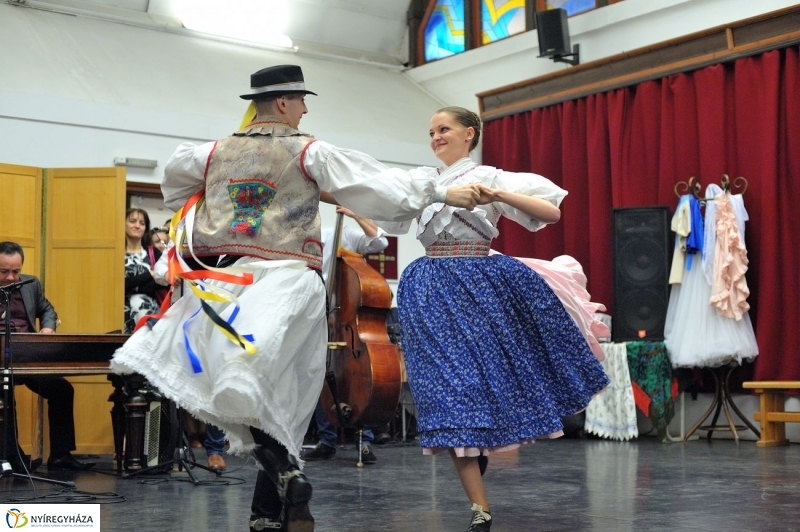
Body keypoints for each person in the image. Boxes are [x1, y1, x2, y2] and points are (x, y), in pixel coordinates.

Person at [110, 64, 481, 532]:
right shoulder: (310, 151)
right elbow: (381, 187)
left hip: (225, 285)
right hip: (288, 283)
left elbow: (174, 180)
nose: (306, 108)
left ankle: (271, 500)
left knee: (231, 383)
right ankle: (275, 494)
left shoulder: (211, 151)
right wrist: (443, 189)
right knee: (285, 399)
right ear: (284, 103)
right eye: (302, 100)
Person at [376, 107, 610, 532]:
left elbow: (551, 211)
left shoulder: (494, 176)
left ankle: (479, 449)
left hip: (479, 283)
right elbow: (384, 211)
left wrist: (498, 196)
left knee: (477, 383)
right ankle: (479, 508)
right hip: (430, 286)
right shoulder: (423, 182)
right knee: (448, 392)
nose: (435, 137)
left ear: (470, 134)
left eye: (443, 129)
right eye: (430, 131)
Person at [302, 206, 389, 465]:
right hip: (315, 312)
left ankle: (365, 440)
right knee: (320, 375)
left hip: (345, 317)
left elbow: (379, 242)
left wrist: (356, 214)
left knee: (357, 375)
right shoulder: (296, 245)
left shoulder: (340, 234)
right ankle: (327, 440)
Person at [0, 241, 96, 473]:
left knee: (61, 390)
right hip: (1, 359)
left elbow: (47, 309)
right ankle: (14, 458)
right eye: (4, 272)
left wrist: (47, 328)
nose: (11, 277)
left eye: (16, 271)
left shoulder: (30, 284)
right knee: (4, 394)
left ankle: (60, 455)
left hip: (30, 356)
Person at [124, 208, 163, 334]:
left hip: (149, 315)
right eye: (133, 221)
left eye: (142, 223)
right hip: (121, 315)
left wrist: (131, 284)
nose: (137, 226)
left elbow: (160, 283)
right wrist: (149, 274)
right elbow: (119, 285)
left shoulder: (154, 253)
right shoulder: (116, 254)